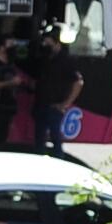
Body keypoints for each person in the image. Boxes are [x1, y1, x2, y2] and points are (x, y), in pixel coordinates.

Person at [32, 25, 84, 159]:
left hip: (55, 106)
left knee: (55, 139)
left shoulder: (66, 60)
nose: (45, 44)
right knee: (39, 139)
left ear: (56, 43)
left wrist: (65, 104)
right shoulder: (46, 58)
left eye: (48, 41)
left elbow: (78, 82)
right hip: (41, 103)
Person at [0, 34, 31, 151]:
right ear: (2, 47)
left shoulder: (10, 64)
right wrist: (10, 83)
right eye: (10, 44)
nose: (13, 47)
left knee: (2, 140)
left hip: (8, 107)